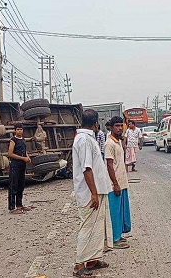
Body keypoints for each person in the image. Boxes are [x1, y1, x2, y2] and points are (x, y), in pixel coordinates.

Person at [72, 109, 113, 278]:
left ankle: (92, 260)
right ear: (96, 123)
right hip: (90, 192)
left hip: (98, 189)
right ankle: (78, 265)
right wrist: (94, 194)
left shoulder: (88, 138)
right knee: (87, 226)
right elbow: (86, 168)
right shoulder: (84, 139)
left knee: (98, 226)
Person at [104, 116, 131, 249]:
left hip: (122, 182)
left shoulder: (118, 142)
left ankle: (119, 235)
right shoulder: (109, 143)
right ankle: (114, 239)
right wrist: (115, 184)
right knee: (115, 212)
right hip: (114, 184)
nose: (120, 128)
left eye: (121, 125)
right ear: (111, 127)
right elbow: (109, 165)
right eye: (117, 126)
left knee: (121, 211)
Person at [7, 123, 32, 214]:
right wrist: (22, 158)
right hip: (15, 165)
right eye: (17, 129)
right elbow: (10, 154)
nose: (19, 131)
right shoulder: (13, 140)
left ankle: (19, 205)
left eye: (21, 129)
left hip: (22, 165)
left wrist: (27, 157)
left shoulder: (23, 140)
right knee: (13, 185)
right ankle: (12, 207)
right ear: (15, 130)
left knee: (21, 185)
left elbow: (24, 151)